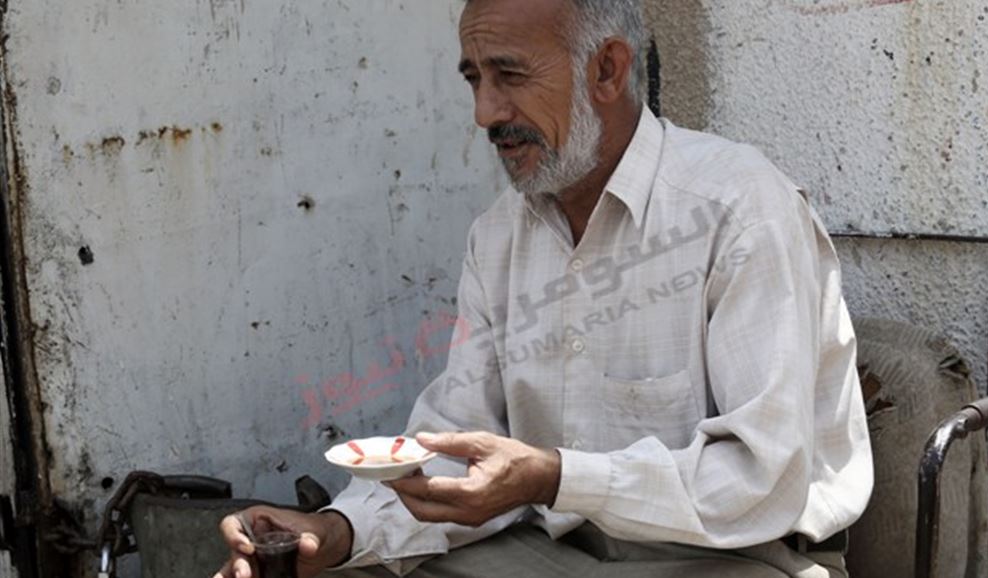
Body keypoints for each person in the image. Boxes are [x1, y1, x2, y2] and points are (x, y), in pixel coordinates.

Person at [214, 0, 873, 576]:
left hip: (736, 559)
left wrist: (555, 478)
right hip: (542, 551)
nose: (484, 112)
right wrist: (337, 531)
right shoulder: (499, 237)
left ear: (607, 70)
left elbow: (765, 481)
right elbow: (458, 444)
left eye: (510, 74)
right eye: (474, 78)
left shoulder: (738, 210)